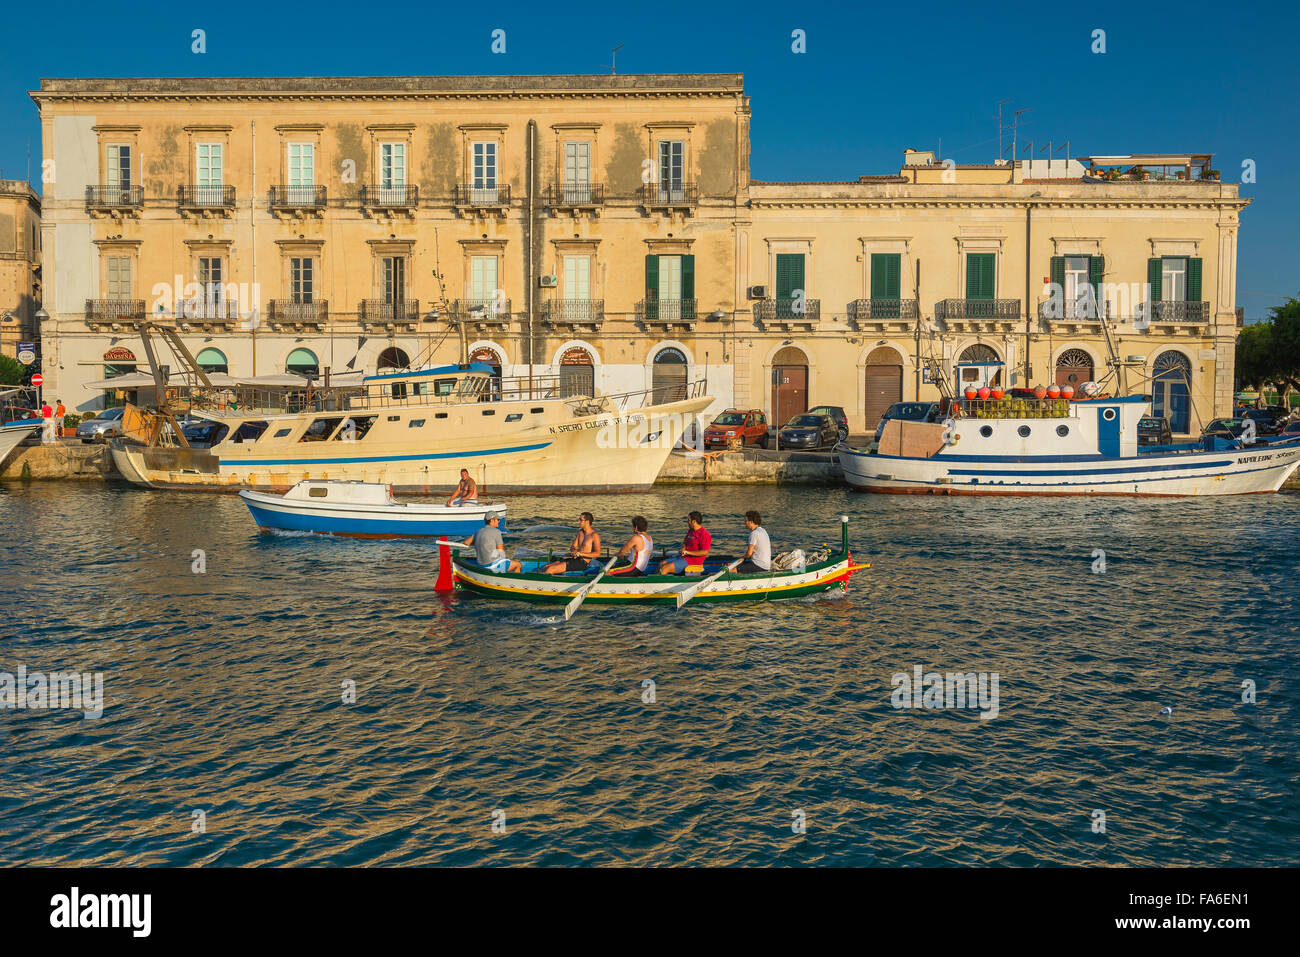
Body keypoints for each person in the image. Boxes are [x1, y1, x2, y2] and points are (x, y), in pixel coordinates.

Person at [737, 509, 771, 574]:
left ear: (751, 522)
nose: (745, 523)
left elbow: (749, 554)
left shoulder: (754, 533)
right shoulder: (763, 531)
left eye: (746, 521)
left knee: (735, 568)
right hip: (766, 566)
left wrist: (742, 558)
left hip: (759, 566)